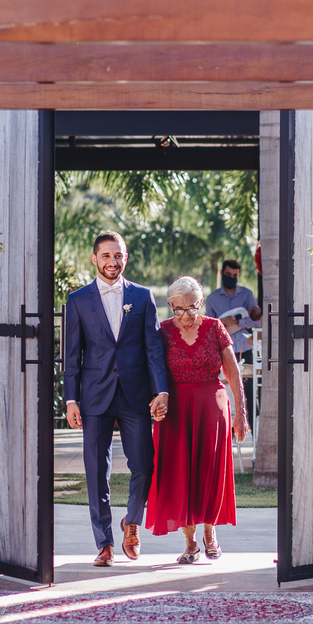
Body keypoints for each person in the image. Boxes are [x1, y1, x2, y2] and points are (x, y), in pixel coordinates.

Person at [64, 231, 169, 567]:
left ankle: (132, 523)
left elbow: (153, 348)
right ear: (94, 258)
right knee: (97, 471)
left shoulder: (142, 296)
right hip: (94, 396)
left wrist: (161, 391)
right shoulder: (77, 300)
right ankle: (104, 543)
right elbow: (71, 356)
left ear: (126, 257)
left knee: (144, 465)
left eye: (118, 255)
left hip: (136, 395)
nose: (113, 262)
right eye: (106, 256)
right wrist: (70, 400)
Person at [146, 276, 249, 562]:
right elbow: (152, 373)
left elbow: (233, 373)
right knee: (180, 475)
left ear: (201, 303)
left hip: (211, 409)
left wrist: (240, 415)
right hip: (176, 411)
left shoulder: (215, 328)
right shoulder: (162, 332)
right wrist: (154, 401)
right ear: (170, 306)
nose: (187, 315)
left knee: (208, 472)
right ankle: (190, 543)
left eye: (193, 308)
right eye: (180, 309)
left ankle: (210, 533)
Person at [204, 259, 261, 422]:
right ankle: (228, 429)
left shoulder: (247, 294)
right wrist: (225, 324)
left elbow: (256, 321)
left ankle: (253, 430)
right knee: (225, 389)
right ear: (222, 273)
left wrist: (237, 321)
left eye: (235, 275)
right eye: (228, 274)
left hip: (245, 349)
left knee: (248, 389)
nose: (232, 277)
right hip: (223, 352)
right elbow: (211, 326)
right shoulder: (212, 298)